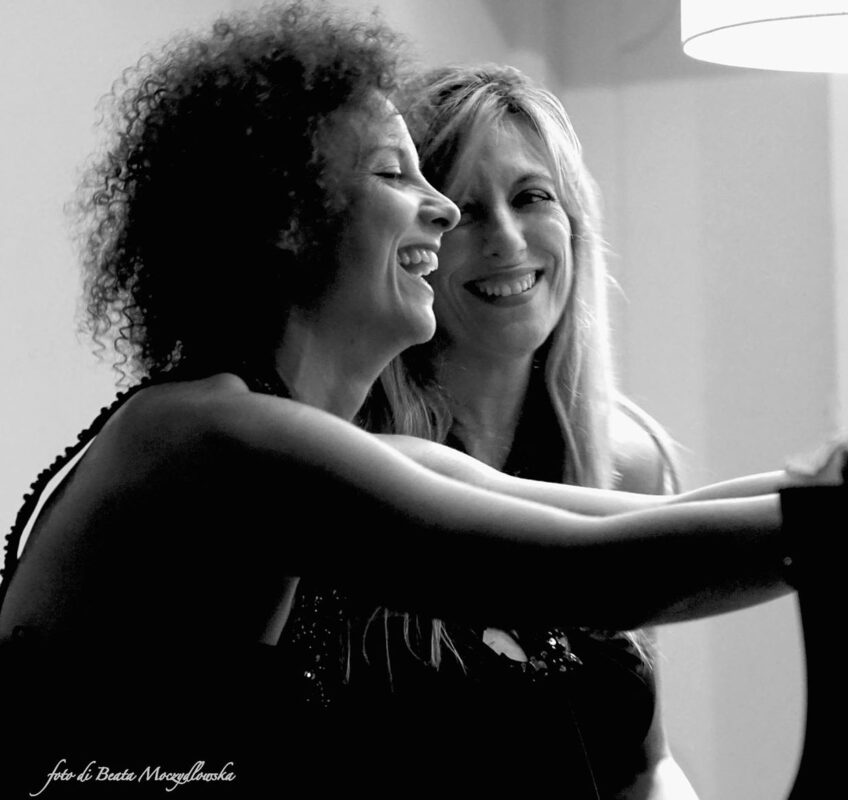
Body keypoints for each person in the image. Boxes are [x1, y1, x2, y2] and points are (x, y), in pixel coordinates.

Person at [0, 4, 792, 797]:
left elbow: (644, 524)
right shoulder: (211, 439)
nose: (440, 208)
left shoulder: (310, 443)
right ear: (286, 217)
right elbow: (601, 575)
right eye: (393, 174)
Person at [338, 63, 705, 797]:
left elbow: (645, 765)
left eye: (532, 197)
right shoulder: (352, 460)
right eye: (466, 211)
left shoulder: (625, 458)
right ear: (415, 238)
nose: (507, 241)